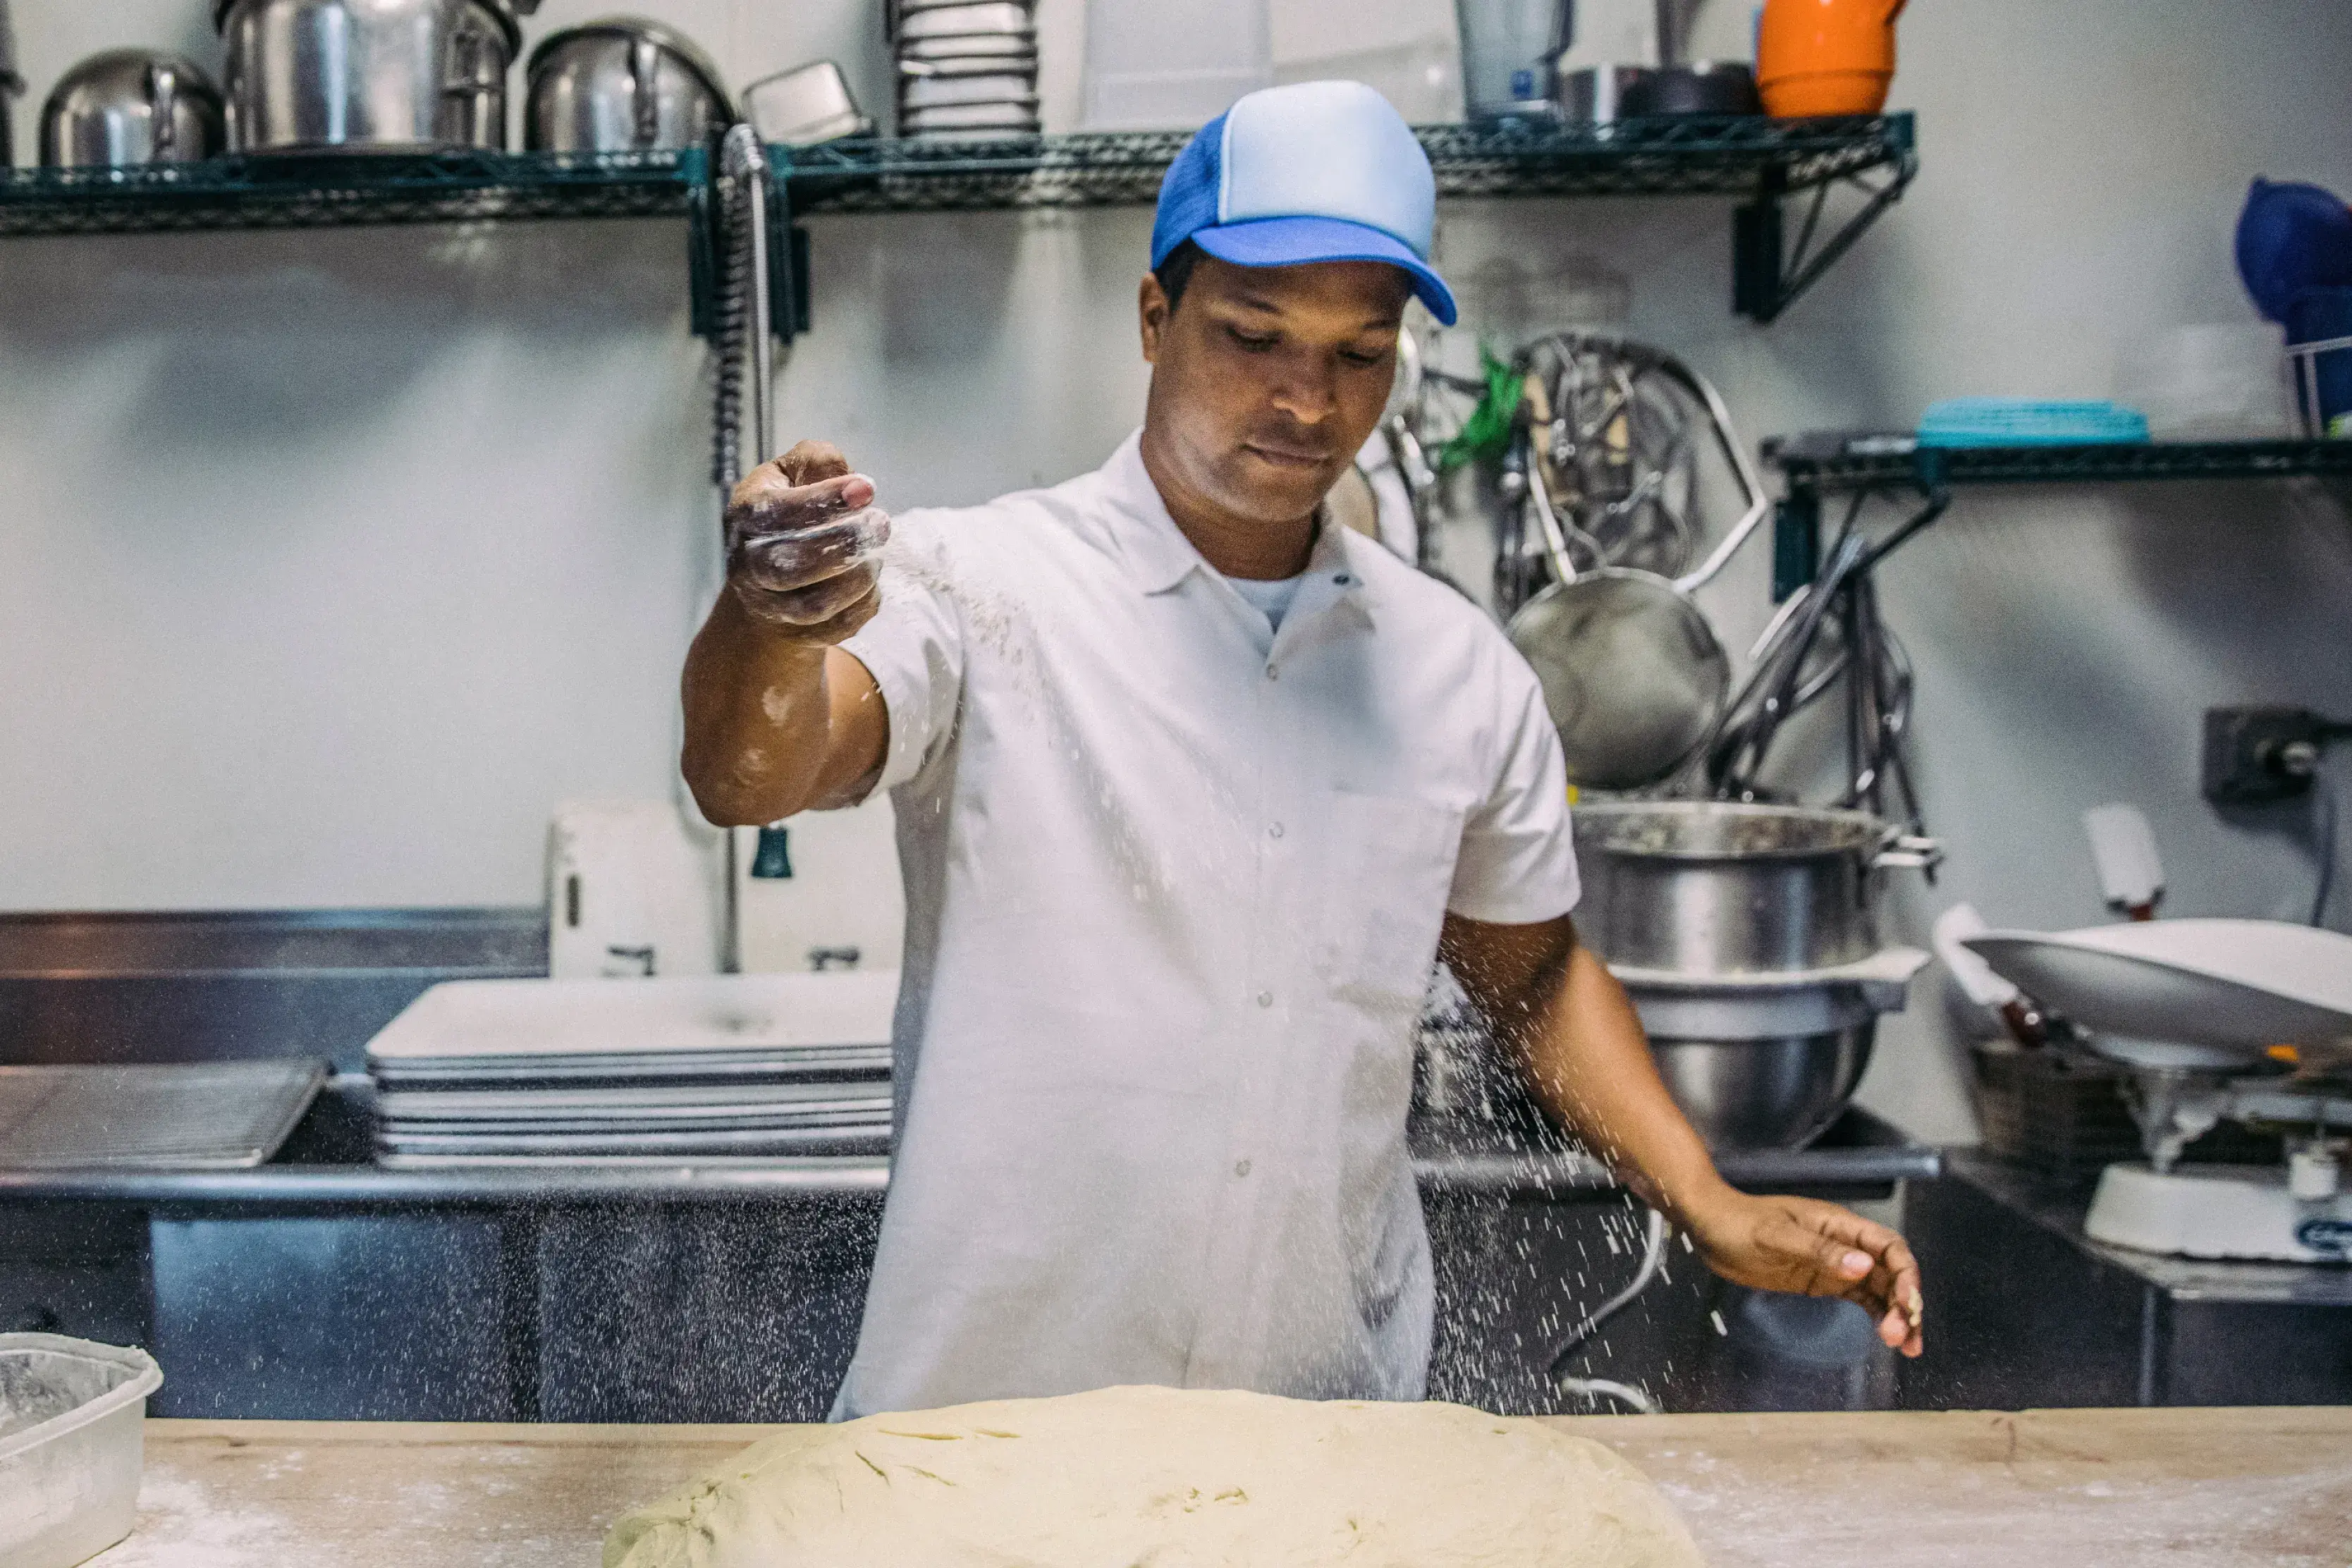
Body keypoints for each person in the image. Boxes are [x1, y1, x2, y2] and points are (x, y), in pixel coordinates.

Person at [681, 80, 1923, 1421]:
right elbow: (751, 776)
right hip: (990, 1421)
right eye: (1254, 336)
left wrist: (1707, 1198)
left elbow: (1536, 976)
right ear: (1156, 321)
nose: (1305, 400)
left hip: (1322, 1437)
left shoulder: (1453, 673)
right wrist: (766, 620)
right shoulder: (983, 587)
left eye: (1358, 353)